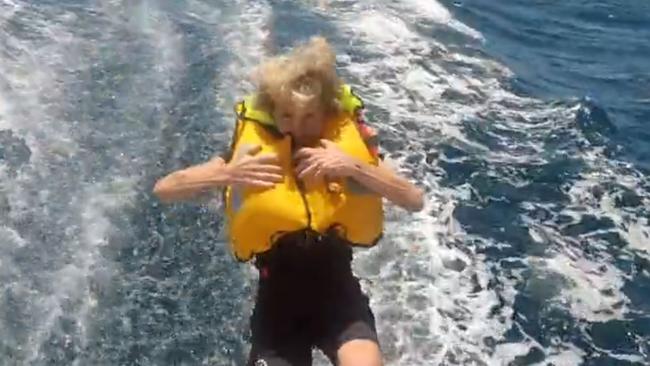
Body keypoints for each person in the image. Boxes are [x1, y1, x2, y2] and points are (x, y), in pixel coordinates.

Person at [153, 36, 424, 366]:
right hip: (277, 307)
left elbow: (414, 200)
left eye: (309, 116)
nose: (297, 127)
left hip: (338, 297)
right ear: (273, 113)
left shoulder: (343, 157)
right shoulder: (251, 156)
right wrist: (226, 174)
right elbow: (164, 189)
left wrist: (352, 166)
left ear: (325, 113)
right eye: (287, 115)